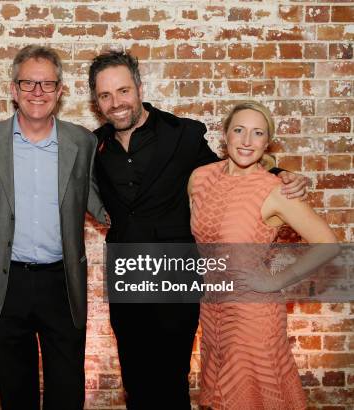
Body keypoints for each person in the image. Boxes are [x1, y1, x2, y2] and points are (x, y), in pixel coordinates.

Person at [89, 51, 309, 409]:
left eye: (123, 91)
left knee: (171, 380)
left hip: (176, 278)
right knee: (135, 380)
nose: (116, 102)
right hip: (127, 277)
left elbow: (231, 172)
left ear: (139, 88)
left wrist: (280, 174)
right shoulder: (94, 145)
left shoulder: (182, 134)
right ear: (96, 101)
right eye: (105, 95)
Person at [0, 45, 107, 410]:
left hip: (62, 283)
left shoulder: (83, 142)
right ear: (14, 90)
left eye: (47, 84)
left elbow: (100, 201)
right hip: (4, 281)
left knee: (67, 389)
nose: (37, 92)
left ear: (61, 91)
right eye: (28, 83)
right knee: (15, 391)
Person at [188, 101, 337, 409]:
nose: (246, 141)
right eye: (239, 130)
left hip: (253, 316)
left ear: (266, 141)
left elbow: (328, 243)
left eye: (257, 133)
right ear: (225, 135)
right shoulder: (199, 178)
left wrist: (276, 281)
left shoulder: (276, 190)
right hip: (213, 310)